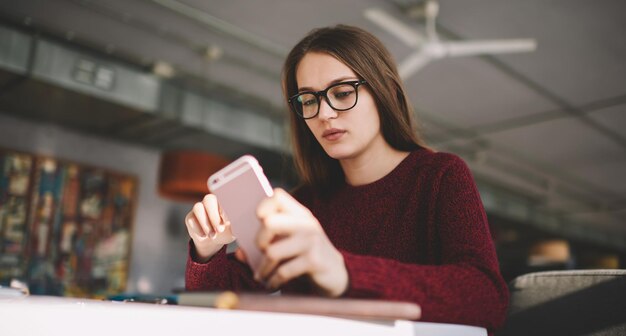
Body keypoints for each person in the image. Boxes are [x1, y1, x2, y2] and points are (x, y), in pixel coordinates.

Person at [184, 25, 509, 332]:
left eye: (341, 92)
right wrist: (206, 251)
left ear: (386, 92)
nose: (324, 113)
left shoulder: (439, 176)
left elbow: (487, 297)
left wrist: (343, 271)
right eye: (309, 100)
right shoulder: (304, 203)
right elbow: (219, 301)